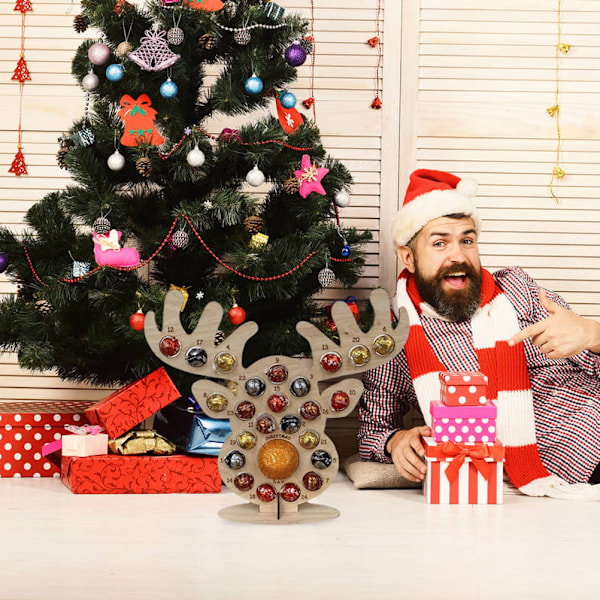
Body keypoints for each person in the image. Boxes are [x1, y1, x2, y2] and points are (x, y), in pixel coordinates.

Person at [358, 169, 600, 500]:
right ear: (408, 257)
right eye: (440, 242)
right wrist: (394, 441)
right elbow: (373, 431)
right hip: (566, 469)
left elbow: (591, 353)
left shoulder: (518, 289)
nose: (458, 256)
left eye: (467, 241)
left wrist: (593, 334)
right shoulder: (393, 333)